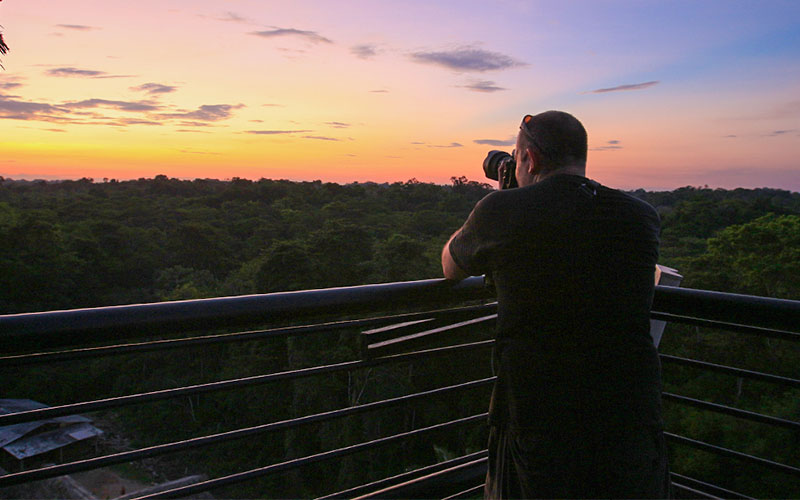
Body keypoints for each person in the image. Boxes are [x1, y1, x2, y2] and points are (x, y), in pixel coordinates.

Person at [442, 111, 670, 499]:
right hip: (630, 406)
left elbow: (450, 266)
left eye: (516, 158)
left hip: (540, 411)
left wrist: (502, 197)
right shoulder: (640, 216)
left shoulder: (503, 210)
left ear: (529, 159)